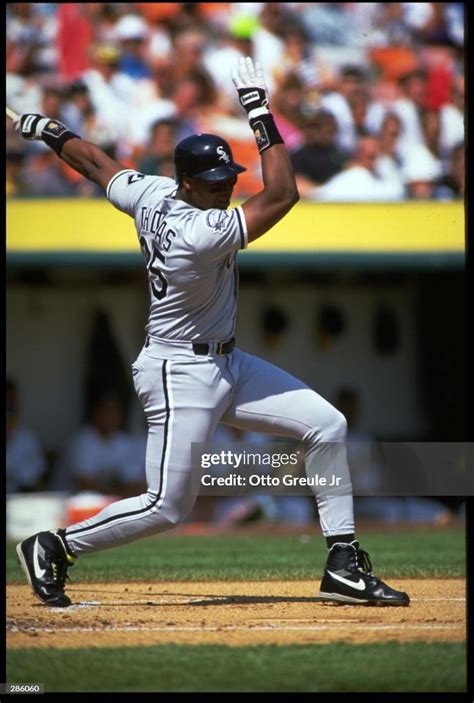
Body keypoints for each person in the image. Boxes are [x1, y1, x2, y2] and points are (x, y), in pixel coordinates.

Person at [13, 57, 409, 609]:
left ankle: (343, 562)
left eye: (228, 180)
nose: (225, 189)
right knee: (167, 507)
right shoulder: (196, 233)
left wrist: (50, 131)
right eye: (213, 182)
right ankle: (54, 545)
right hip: (180, 370)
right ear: (187, 184)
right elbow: (282, 194)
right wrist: (257, 109)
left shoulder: (150, 194)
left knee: (327, 425)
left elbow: (96, 163)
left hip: (226, 362)